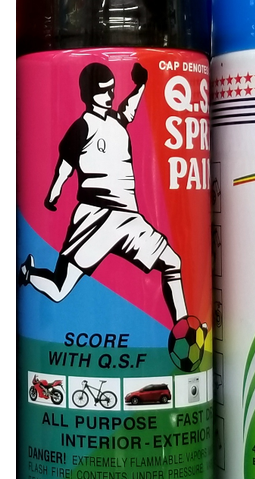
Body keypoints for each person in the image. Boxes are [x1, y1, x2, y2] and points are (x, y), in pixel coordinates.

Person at [19, 62, 188, 326]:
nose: (109, 95)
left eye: (111, 89)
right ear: (88, 93)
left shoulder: (117, 121)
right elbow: (65, 165)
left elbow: (129, 108)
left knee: (172, 262)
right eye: (102, 91)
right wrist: (54, 193)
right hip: (96, 215)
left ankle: (184, 328)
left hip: (128, 216)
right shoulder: (82, 127)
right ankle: (29, 273)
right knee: (59, 289)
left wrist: (141, 85)